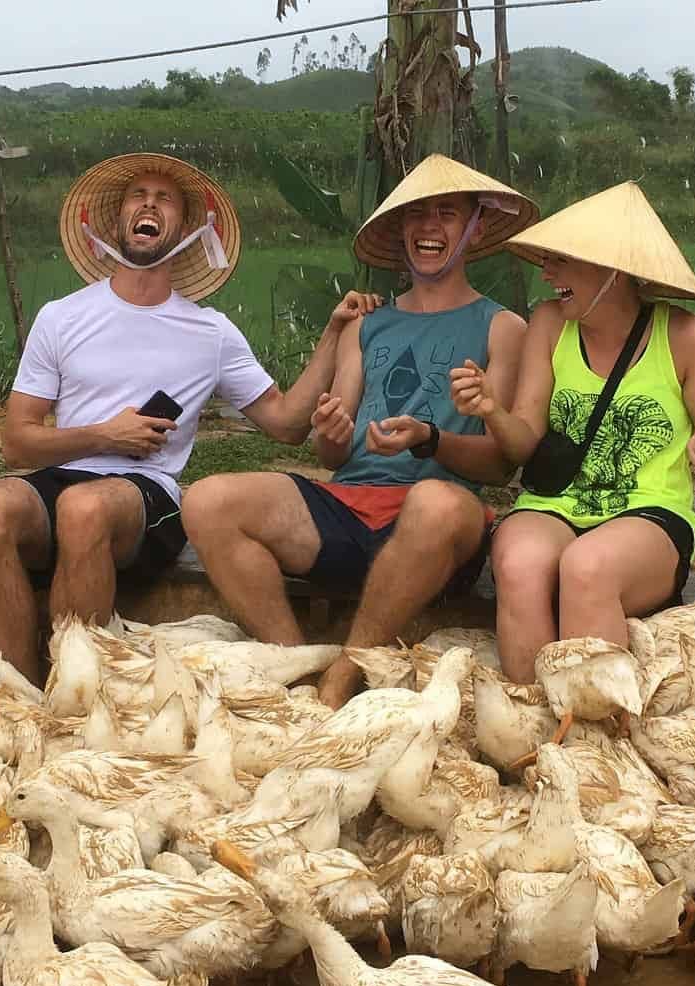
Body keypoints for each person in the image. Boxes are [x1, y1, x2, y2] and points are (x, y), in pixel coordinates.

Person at [0, 153, 372, 687]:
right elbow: (17, 443)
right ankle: (23, 692)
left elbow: (287, 423)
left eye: (165, 198)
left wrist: (333, 334)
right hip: (61, 476)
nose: (149, 203)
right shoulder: (62, 316)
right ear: (116, 221)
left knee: (83, 509)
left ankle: (73, 694)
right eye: (138, 195)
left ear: (189, 229)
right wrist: (104, 434)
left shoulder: (210, 332)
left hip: (144, 495)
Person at [183, 154, 538, 708]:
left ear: (475, 227)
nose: (429, 227)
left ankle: (341, 678)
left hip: (438, 525)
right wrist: (330, 429)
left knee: (435, 504)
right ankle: (295, 666)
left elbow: (499, 464)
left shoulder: (502, 327)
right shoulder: (367, 324)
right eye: (416, 215)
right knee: (207, 500)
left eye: (447, 213)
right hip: (349, 506)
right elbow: (333, 451)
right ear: (400, 232)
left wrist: (430, 437)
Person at [451, 180, 695, 683]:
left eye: (561, 261)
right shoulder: (547, 323)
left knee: (587, 566)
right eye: (545, 260)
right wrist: (492, 410)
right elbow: (524, 441)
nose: (546, 273)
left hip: (648, 515)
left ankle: (597, 740)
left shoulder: (687, 337)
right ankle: (533, 722)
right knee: (518, 562)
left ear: (612, 269)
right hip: (554, 504)